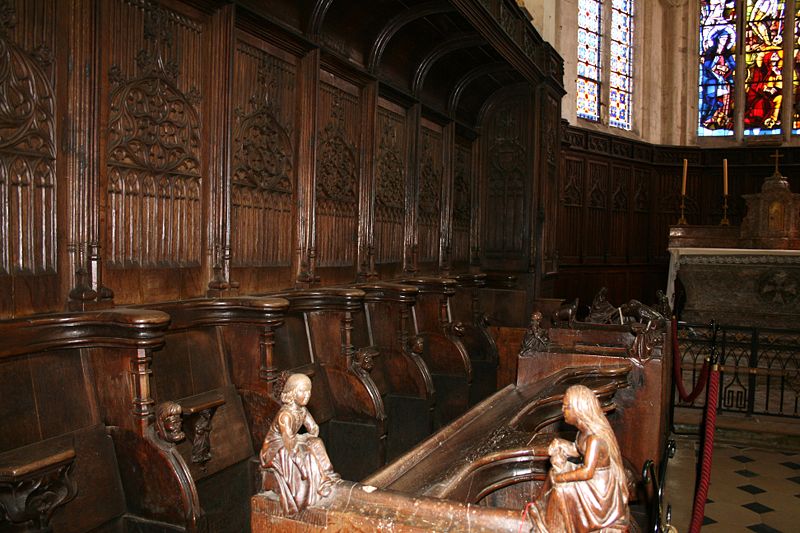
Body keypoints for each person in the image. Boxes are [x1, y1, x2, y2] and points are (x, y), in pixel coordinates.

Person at [529, 385, 630, 532]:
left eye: (566, 407)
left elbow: (587, 472)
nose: (563, 410)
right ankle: (539, 509)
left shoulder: (595, 439)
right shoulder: (583, 433)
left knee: (561, 489)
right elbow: (577, 450)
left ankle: (553, 526)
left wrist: (562, 478)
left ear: (579, 409)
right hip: (591, 479)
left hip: (600, 490)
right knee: (553, 473)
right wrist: (561, 445)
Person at [260, 373, 340, 514]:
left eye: (309, 391)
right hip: (274, 448)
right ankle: (312, 489)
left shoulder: (302, 410)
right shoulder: (285, 416)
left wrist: (306, 436)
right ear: (292, 393)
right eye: (302, 391)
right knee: (306, 455)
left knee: (316, 442)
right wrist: (302, 467)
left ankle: (328, 476)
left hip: (290, 439)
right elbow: (290, 447)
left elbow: (314, 429)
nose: (307, 395)